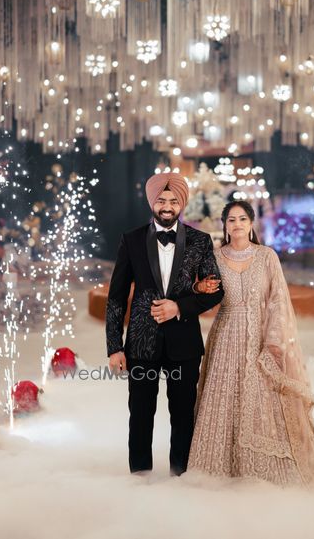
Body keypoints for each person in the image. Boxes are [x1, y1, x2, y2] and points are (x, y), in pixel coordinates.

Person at [188, 200, 314, 487]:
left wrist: (274, 340)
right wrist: (197, 287)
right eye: (231, 220)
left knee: (262, 397)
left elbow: (278, 300)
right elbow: (200, 293)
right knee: (222, 398)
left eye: (242, 219)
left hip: (260, 336)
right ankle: (217, 469)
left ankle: (264, 472)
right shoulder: (214, 257)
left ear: (251, 224)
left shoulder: (267, 256)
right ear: (225, 226)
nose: (237, 224)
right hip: (225, 335)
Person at [106, 172, 224, 476]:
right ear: (152, 202)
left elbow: (215, 290)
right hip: (141, 343)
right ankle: (140, 478)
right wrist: (114, 347)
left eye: (173, 201)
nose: (167, 206)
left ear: (181, 203)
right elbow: (116, 298)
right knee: (140, 415)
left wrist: (179, 307)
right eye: (161, 200)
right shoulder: (131, 239)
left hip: (184, 343)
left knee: (183, 416)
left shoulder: (200, 241)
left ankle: (180, 478)